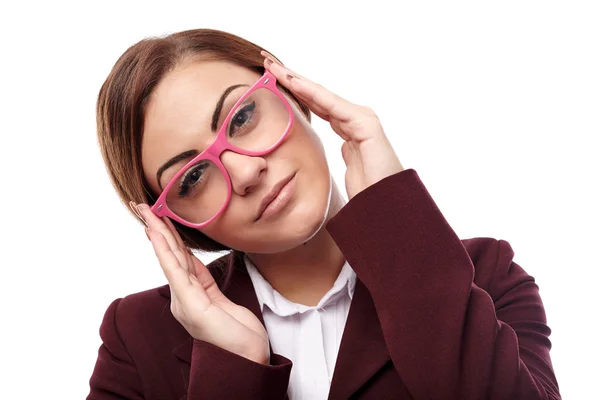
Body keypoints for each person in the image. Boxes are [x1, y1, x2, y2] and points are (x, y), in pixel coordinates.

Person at [87, 28, 560, 400]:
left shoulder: (488, 275)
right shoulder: (135, 337)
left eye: (243, 117)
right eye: (191, 178)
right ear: (171, 220)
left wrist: (394, 216)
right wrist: (232, 366)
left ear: (296, 94)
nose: (247, 171)